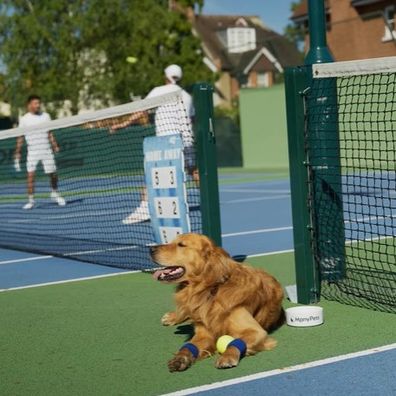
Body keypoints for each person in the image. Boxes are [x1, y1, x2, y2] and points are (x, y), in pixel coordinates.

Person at [110, 64, 197, 224]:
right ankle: (208, 200)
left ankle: (144, 208)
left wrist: (123, 124)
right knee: (193, 171)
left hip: (166, 143)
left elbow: (142, 110)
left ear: (165, 76)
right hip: (187, 141)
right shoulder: (187, 96)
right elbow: (192, 119)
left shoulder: (158, 91)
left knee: (152, 175)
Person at [14, 95, 66, 210]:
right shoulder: (24, 119)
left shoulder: (46, 116)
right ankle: (31, 201)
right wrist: (17, 152)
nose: (38, 105)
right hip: (32, 152)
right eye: (35, 103)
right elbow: (20, 137)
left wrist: (55, 145)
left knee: (53, 174)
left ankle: (55, 193)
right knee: (30, 176)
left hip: (46, 150)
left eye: (39, 103)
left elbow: (49, 133)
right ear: (29, 105)